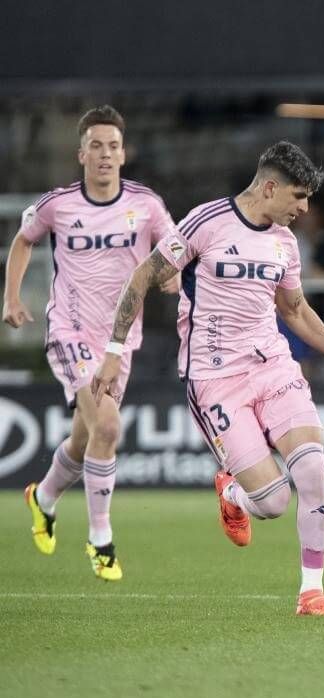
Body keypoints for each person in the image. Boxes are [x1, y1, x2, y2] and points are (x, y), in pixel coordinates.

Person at [92, 141, 324, 616]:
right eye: (298, 196)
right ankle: (233, 493)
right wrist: (112, 352)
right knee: (272, 503)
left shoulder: (285, 243)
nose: (304, 208)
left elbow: (294, 309)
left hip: (272, 365)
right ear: (269, 187)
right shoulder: (205, 223)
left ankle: (311, 592)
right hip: (214, 379)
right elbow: (142, 277)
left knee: (312, 468)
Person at [3, 105, 179, 581]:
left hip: (119, 342)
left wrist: (172, 276)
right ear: (81, 152)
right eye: (96, 145)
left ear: (125, 154)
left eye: (114, 146)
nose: (105, 154)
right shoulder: (58, 205)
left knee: (87, 438)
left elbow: (174, 250)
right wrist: (13, 297)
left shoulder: (146, 205)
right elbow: (23, 241)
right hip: (70, 331)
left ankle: (42, 498)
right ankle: (101, 539)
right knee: (107, 426)